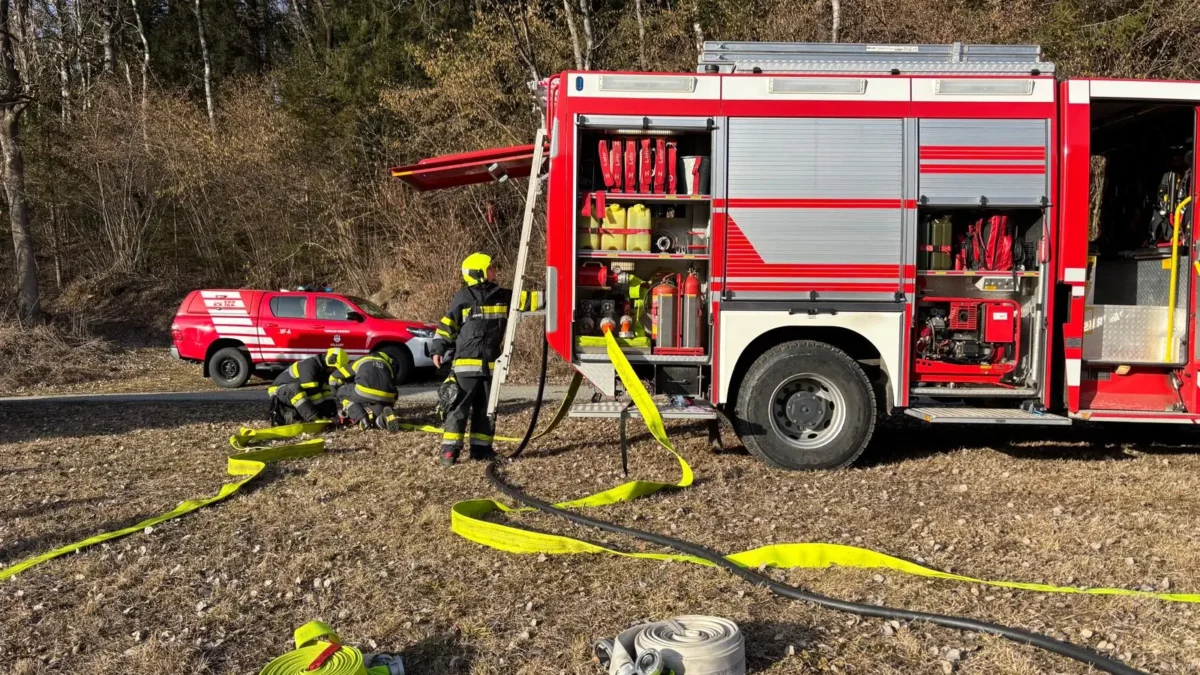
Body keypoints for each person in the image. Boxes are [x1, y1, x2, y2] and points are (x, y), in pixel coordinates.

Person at [431, 252, 542, 466]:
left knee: (487, 410)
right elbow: (447, 326)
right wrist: (438, 348)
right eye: (490, 267)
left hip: (491, 366)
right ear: (479, 273)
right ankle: (449, 451)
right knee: (459, 408)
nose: (495, 271)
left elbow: (529, 299)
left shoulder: (503, 295)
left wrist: (560, 289)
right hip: (465, 365)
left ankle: (481, 450)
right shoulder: (463, 298)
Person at [269, 347, 349, 424]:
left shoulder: (324, 371)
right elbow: (313, 395)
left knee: (300, 391)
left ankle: (307, 417)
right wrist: (319, 416)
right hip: (278, 392)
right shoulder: (309, 367)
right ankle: (313, 418)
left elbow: (326, 394)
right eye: (335, 368)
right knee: (294, 389)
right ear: (330, 362)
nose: (335, 371)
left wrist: (332, 414)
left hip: (294, 392)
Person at [335, 348, 404, 431]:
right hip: (387, 398)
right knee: (377, 407)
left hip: (364, 391)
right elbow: (394, 386)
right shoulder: (387, 365)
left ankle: (362, 419)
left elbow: (334, 376)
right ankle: (380, 420)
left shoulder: (362, 360)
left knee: (343, 393)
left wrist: (334, 396)